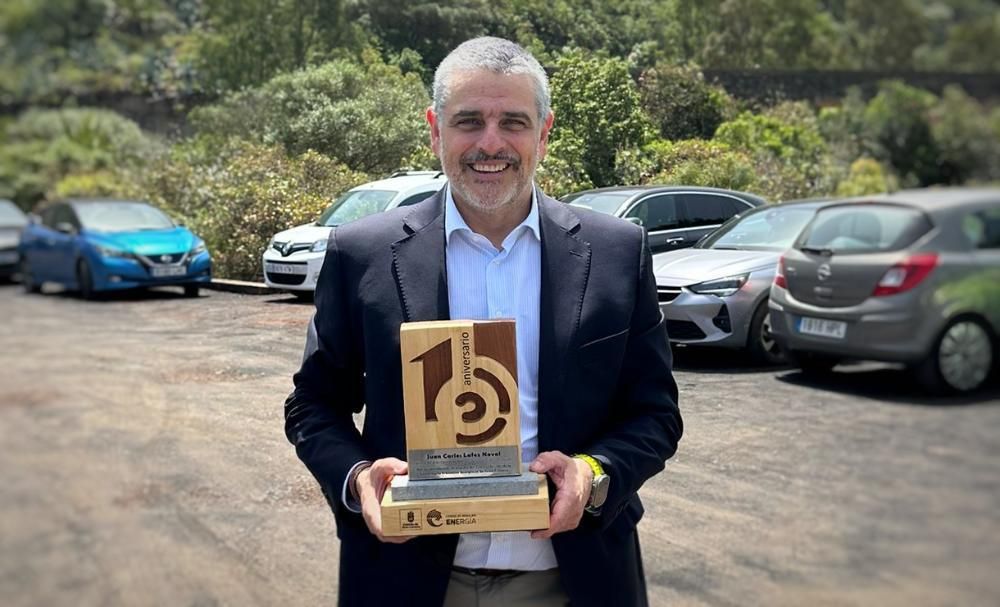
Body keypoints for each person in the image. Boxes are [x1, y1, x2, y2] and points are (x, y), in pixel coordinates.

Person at [285, 36, 682, 607]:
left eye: (513, 122)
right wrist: (356, 479)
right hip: (407, 580)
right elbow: (312, 405)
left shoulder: (616, 251)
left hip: (575, 580)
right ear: (435, 129)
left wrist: (595, 474)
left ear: (543, 133)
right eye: (469, 121)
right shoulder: (361, 253)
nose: (490, 143)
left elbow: (655, 413)